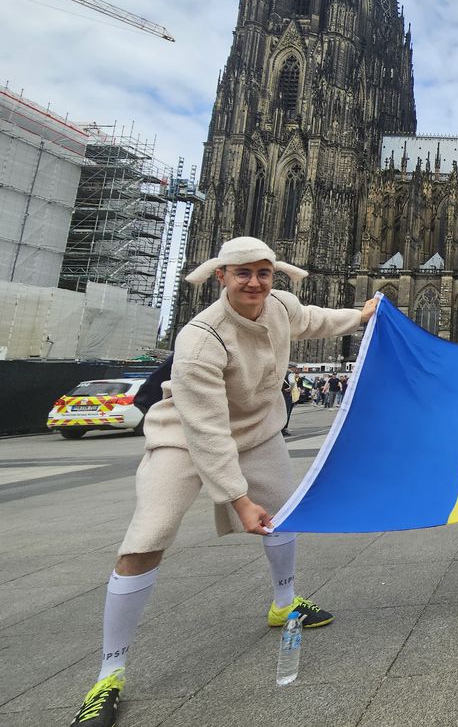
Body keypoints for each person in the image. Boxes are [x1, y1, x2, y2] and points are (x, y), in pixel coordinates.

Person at [69, 237, 378, 727]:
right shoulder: (200, 337)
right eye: (243, 274)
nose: (254, 283)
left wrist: (360, 315)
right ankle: (110, 673)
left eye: (263, 273)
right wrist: (238, 498)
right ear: (222, 276)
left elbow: (312, 319)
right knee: (148, 535)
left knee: (283, 509)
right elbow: (207, 430)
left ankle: (284, 604)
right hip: (184, 436)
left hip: (255, 430)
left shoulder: (279, 305)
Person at [281, 365, 300, 436]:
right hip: (287, 394)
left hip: (281, 394)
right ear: (292, 368)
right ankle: (283, 429)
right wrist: (290, 388)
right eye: (295, 368)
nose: (296, 369)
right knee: (287, 412)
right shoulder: (290, 374)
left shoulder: (282, 373)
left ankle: (280, 428)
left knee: (281, 412)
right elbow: (292, 382)